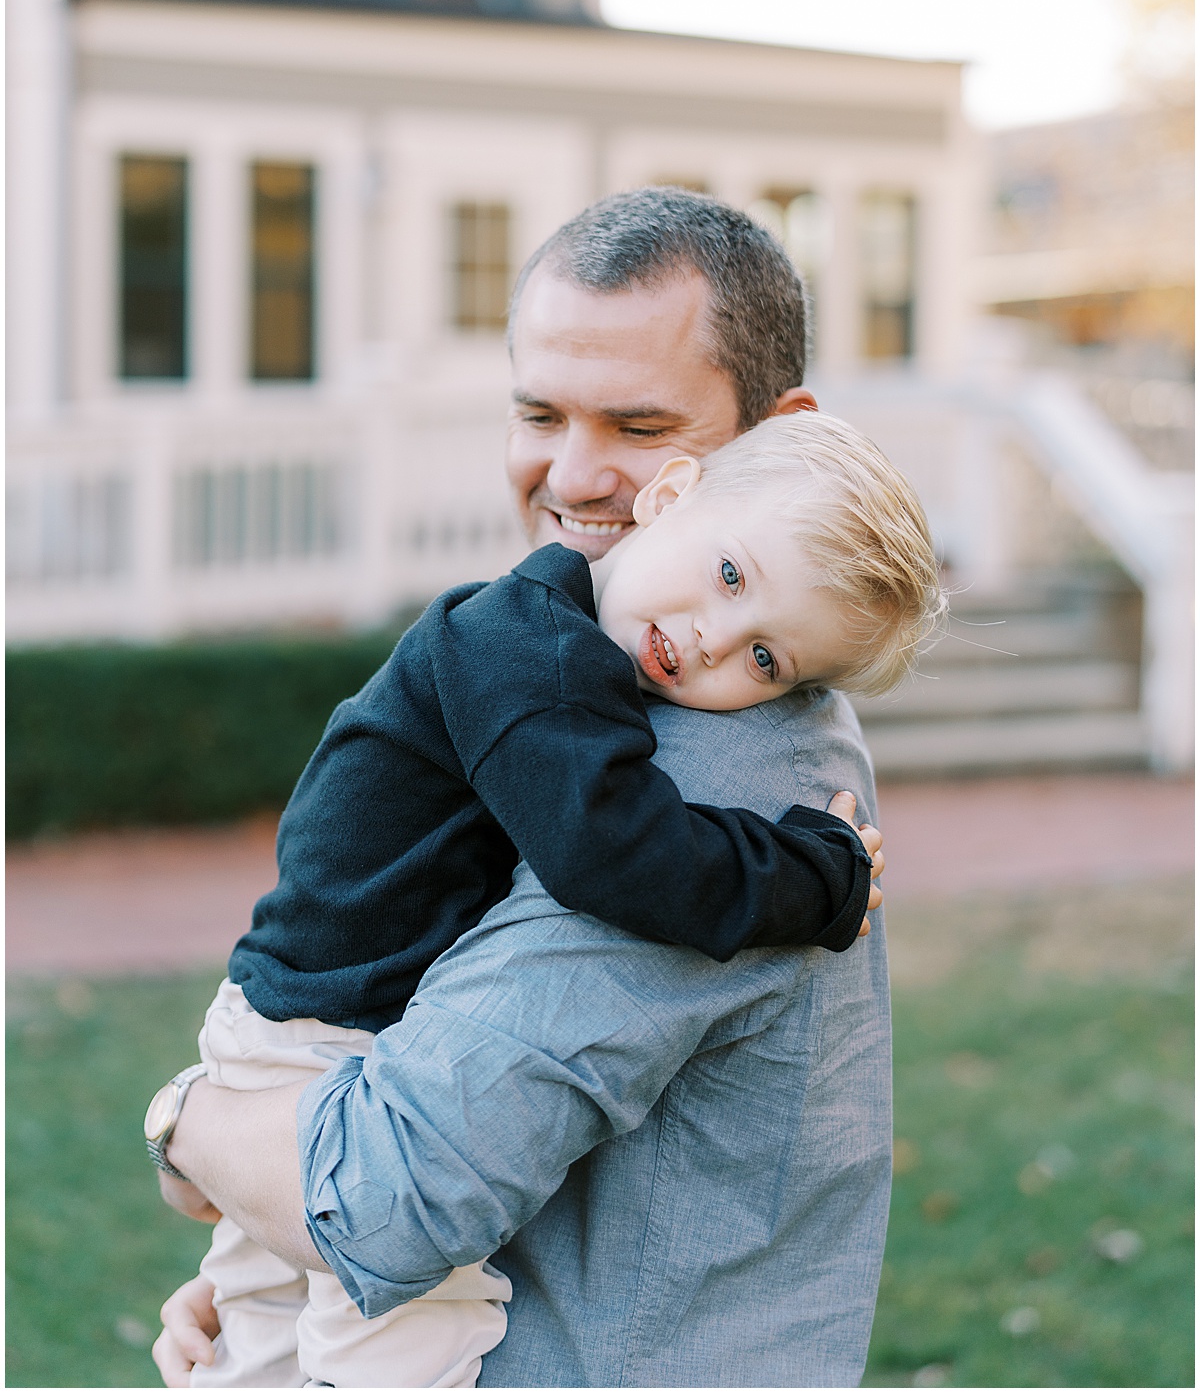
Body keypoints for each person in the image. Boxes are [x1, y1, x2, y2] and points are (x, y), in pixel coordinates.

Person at [152, 189, 904, 1388]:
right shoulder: (581, 673)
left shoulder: (715, 775)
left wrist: (189, 1123)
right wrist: (266, 1263)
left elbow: (384, 1201)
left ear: (773, 434)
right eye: (539, 411)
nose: (575, 471)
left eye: (639, 423)